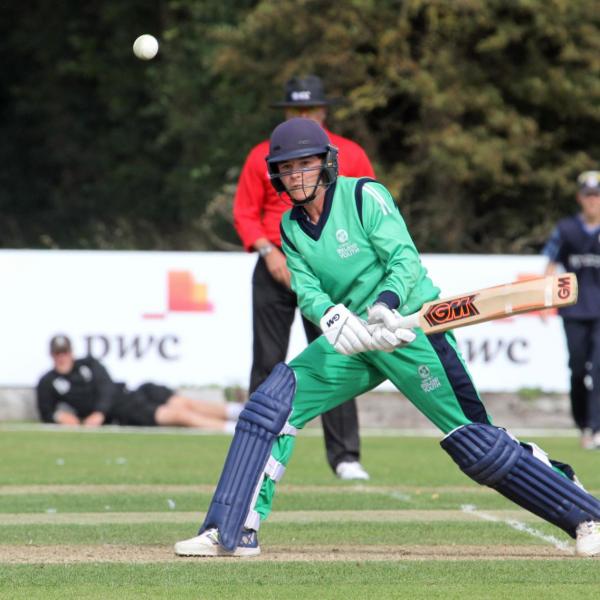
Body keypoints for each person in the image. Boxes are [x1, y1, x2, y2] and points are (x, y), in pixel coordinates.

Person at [174, 118, 600, 558]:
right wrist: (331, 319)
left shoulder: (364, 196)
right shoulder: (290, 227)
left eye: (306, 164)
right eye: (287, 167)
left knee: (476, 443)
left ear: (325, 164)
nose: (297, 175)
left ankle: (586, 513)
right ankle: (231, 529)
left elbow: (403, 259)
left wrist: (386, 305)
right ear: (277, 175)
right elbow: (308, 289)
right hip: (357, 341)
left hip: (408, 331)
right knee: (271, 404)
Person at [233, 75, 375, 480]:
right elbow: (245, 211)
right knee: (266, 362)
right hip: (274, 263)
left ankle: (346, 457)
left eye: (309, 109)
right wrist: (268, 251)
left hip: (327, 266)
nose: (302, 116)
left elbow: (367, 205)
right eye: (295, 110)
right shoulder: (263, 155)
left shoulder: (349, 152)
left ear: (323, 111)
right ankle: (255, 448)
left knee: (337, 355)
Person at [36, 335, 241, 431]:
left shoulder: (89, 364)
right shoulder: (49, 382)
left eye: (65, 352)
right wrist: (60, 417)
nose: (61, 357)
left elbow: (107, 386)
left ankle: (241, 413)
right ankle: (233, 429)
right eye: (57, 353)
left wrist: (98, 413)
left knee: (185, 403)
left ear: (71, 352)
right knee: (179, 415)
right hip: (123, 410)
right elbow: (47, 412)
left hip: (133, 392)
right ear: (51, 355)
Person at [543, 171, 600, 449]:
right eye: (588, 195)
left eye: (597, 195)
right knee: (578, 369)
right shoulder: (566, 229)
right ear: (580, 198)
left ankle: (596, 426)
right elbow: (551, 264)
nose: (593, 201)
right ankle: (583, 424)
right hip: (574, 310)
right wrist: (544, 300)